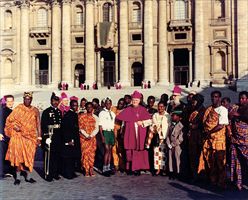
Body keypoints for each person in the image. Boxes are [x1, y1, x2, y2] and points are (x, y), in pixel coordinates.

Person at [4, 92, 41, 185]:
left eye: (29, 99)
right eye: (25, 99)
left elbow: (38, 125)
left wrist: (39, 137)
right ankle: (18, 177)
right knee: (18, 157)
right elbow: (9, 120)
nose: (27, 100)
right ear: (23, 99)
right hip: (19, 136)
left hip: (30, 137)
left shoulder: (35, 110)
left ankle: (29, 177)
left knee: (29, 157)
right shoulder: (18, 109)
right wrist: (14, 126)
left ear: (31, 100)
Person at [198, 91, 229, 188]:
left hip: (218, 139)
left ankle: (221, 182)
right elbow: (205, 122)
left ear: (219, 98)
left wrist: (209, 132)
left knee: (220, 162)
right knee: (210, 160)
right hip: (209, 139)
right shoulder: (209, 109)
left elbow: (220, 125)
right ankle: (213, 180)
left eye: (216, 97)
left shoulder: (222, 110)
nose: (214, 99)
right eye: (212, 97)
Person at [116, 91, 151, 176]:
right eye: (133, 100)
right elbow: (121, 119)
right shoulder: (127, 109)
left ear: (139, 100)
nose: (135, 101)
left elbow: (149, 121)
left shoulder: (143, 109)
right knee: (129, 151)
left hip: (139, 134)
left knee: (138, 151)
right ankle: (130, 168)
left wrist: (142, 122)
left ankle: (138, 169)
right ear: (131, 100)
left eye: (136, 100)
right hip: (130, 133)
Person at [41, 93, 62, 182]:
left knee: (56, 155)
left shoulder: (59, 112)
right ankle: (48, 174)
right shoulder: (46, 111)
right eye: (53, 101)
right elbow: (43, 125)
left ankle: (55, 173)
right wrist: (46, 137)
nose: (55, 102)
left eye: (57, 101)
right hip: (49, 136)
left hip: (57, 137)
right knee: (48, 156)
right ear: (51, 101)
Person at [61, 99, 81, 179]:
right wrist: (69, 140)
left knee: (73, 157)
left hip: (75, 138)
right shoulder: (68, 115)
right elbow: (66, 129)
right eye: (74, 105)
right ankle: (68, 174)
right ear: (71, 106)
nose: (76, 107)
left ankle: (72, 172)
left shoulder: (74, 114)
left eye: (76, 105)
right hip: (70, 139)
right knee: (69, 158)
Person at [149, 101, 170, 175]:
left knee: (163, 154)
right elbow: (154, 124)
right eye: (159, 106)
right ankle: (157, 169)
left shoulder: (167, 115)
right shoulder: (155, 115)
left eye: (162, 106)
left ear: (164, 107)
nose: (160, 108)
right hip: (157, 137)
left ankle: (163, 169)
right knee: (156, 154)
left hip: (164, 137)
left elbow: (168, 126)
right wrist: (157, 128)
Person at [230, 105, 248, 190]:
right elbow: (230, 119)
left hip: (246, 141)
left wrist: (239, 116)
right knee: (237, 161)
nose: (242, 100)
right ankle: (238, 183)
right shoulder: (236, 108)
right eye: (241, 98)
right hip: (237, 140)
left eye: (244, 98)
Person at [187, 94, 205, 180]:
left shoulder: (204, 111)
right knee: (192, 155)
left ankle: (199, 175)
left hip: (199, 136)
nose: (192, 103)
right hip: (192, 136)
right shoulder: (192, 110)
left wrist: (197, 126)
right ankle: (193, 174)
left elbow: (205, 123)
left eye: (194, 101)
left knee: (198, 155)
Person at [78, 102, 99, 177]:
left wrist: (91, 135)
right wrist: (86, 135)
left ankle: (91, 168)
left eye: (91, 107)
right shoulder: (82, 117)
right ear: (86, 108)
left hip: (92, 138)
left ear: (93, 108)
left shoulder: (96, 117)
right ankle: (86, 170)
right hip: (84, 138)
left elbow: (97, 128)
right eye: (88, 107)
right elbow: (80, 128)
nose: (89, 108)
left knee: (92, 154)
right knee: (85, 154)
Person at [99, 98, 116, 176]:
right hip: (105, 132)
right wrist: (102, 136)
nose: (108, 105)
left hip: (111, 132)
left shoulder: (112, 113)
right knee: (106, 150)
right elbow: (100, 126)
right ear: (105, 104)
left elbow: (113, 125)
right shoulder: (102, 113)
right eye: (107, 103)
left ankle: (108, 167)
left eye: (110, 103)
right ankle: (104, 168)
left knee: (110, 151)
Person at [166, 109, 184, 180]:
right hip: (170, 144)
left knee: (177, 159)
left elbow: (180, 138)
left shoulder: (181, 126)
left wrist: (173, 144)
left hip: (177, 145)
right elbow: (167, 135)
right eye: (172, 115)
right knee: (170, 159)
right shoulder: (170, 125)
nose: (172, 117)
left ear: (178, 117)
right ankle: (171, 172)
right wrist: (168, 144)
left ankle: (178, 173)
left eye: (174, 116)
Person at [0, 95, 15, 179]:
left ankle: (7, 171)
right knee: (3, 154)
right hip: (3, 136)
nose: (10, 103)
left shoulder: (11, 111)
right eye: (8, 101)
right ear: (5, 102)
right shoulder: (3, 110)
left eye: (11, 101)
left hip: (10, 136)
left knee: (7, 154)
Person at [111, 98, 125, 172]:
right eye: (119, 103)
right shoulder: (113, 108)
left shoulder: (125, 111)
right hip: (113, 131)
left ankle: (122, 164)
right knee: (113, 149)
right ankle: (115, 164)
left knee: (120, 149)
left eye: (122, 104)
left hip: (120, 131)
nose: (120, 104)